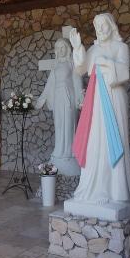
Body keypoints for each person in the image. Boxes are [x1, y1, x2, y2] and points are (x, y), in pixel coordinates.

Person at [67, 13, 130, 205]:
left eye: (103, 25)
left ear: (111, 26)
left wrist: (106, 63)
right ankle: (94, 188)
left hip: (114, 98)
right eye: (96, 26)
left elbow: (124, 73)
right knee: (95, 140)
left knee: (114, 139)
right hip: (96, 99)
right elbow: (80, 69)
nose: (100, 29)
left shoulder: (121, 48)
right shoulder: (94, 49)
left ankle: (117, 191)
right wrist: (77, 48)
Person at [35, 37, 83, 175]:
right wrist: (40, 100)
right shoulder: (55, 66)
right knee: (59, 125)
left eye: (63, 47)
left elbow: (77, 81)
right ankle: (59, 150)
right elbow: (49, 85)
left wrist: (80, 98)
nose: (61, 50)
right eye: (58, 48)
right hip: (58, 98)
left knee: (68, 124)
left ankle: (69, 152)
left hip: (68, 98)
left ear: (67, 49)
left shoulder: (71, 63)